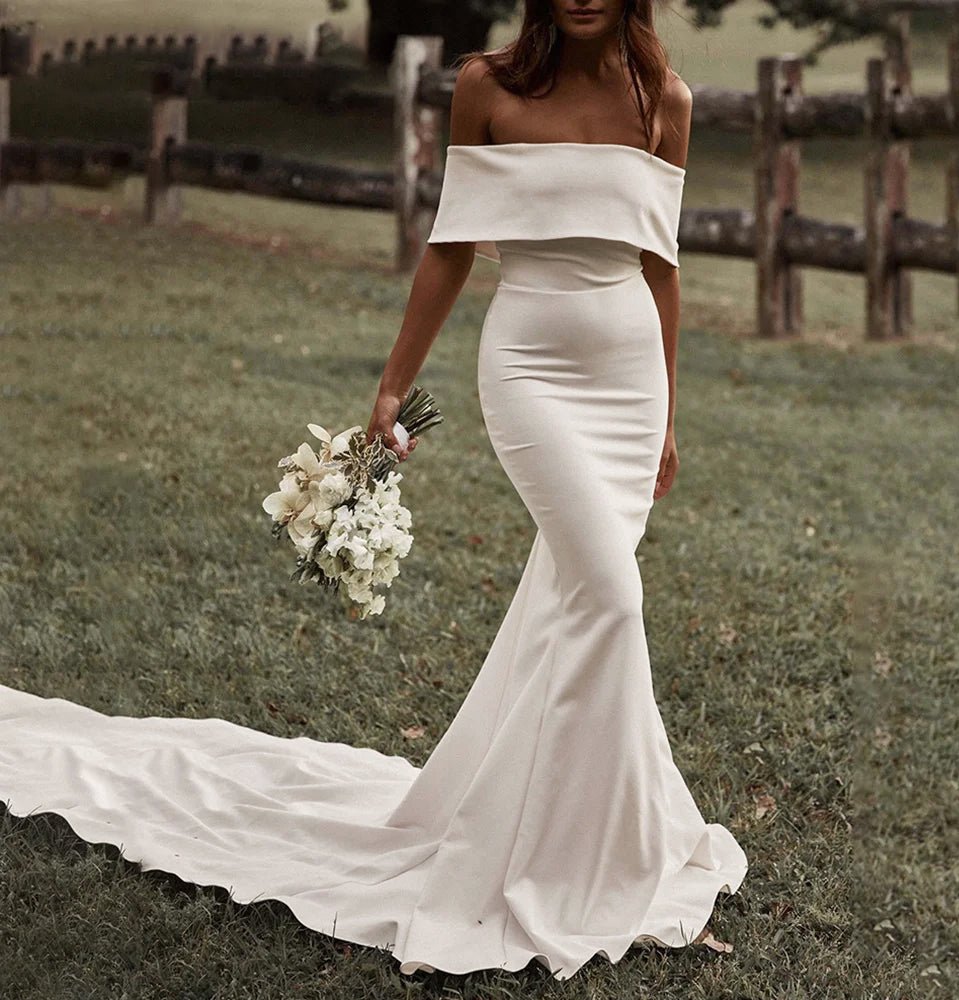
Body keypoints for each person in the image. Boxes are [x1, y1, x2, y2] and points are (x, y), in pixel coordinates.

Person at [0, 0, 747, 983]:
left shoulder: (665, 101)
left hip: (628, 380)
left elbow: (660, 266)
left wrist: (669, 412)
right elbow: (448, 245)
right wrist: (394, 381)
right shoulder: (488, 88)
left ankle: (581, 835)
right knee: (608, 597)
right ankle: (585, 860)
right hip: (528, 369)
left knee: (569, 607)